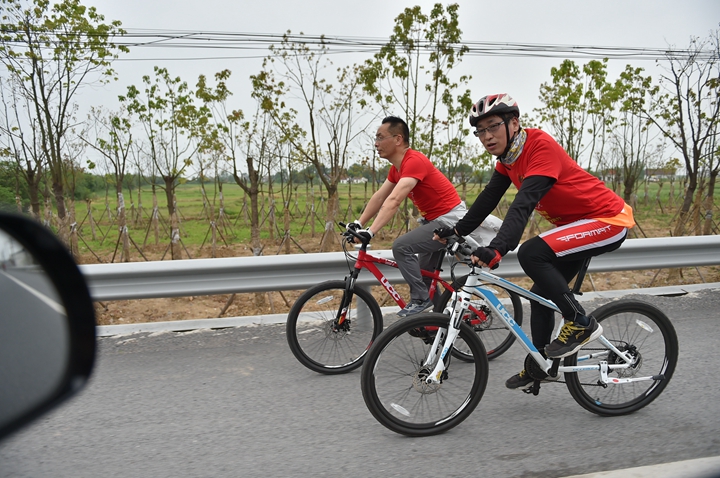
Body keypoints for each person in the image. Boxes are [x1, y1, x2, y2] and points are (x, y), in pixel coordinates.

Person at [434, 93, 635, 389]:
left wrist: (497, 248)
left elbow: (523, 204)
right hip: (576, 226)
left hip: (607, 219)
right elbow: (489, 198)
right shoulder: (508, 160)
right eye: (480, 131)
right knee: (541, 296)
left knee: (530, 253)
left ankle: (580, 323)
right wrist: (457, 231)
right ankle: (543, 365)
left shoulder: (540, 146)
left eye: (493, 126)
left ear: (514, 124)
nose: (487, 136)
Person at [349, 116, 499, 317]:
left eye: (380, 137)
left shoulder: (414, 161)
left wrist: (371, 232)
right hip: (435, 222)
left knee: (401, 247)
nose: (376, 143)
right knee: (424, 276)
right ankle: (433, 322)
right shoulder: (397, 169)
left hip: (449, 220)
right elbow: (379, 197)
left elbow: (394, 200)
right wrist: (358, 223)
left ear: (398, 139)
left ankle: (420, 299)